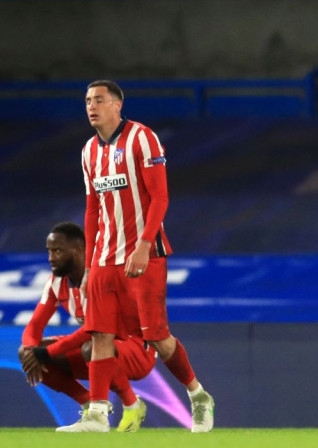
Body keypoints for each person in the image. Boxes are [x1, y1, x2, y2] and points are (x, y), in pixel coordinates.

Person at [57, 80, 214, 432]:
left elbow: (160, 197)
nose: (91, 107)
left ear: (117, 105)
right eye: (86, 101)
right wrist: (90, 258)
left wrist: (143, 245)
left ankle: (198, 395)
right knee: (99, 333)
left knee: (157, 336)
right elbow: (92, 209)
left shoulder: (143, 138)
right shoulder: (88, 151)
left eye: (99, 100)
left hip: (146, 255)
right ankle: (98, 413)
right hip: (104, 258)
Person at [19, 222, 155, 432]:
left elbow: (96, 328)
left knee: (91, 346)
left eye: (58, 251)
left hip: (137, 349)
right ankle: (89, 408)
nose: (51, 258)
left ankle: (132, 404)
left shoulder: (103, 275)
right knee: (27, 352)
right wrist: (31, 350)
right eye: (49, 251)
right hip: (98, 348)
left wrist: (47, 352)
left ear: (80, 250)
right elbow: (34, 326)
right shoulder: (57, 282)